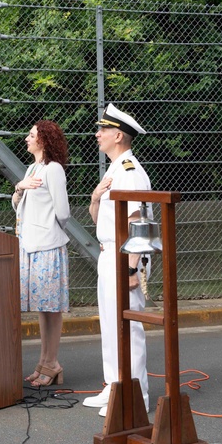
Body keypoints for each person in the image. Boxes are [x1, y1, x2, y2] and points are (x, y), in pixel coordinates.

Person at [85, 103, 151, 417]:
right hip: (108, 252)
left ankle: (136, 395)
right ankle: (114, 386)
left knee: (129, 327)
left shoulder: (130, 171)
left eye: (103, 130)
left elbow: (139, 222)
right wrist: (96, 197)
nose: (97, 134)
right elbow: (98, 218)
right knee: (110, 324)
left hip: (124, 256)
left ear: (119, 136)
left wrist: (131, 267)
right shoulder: (113, 169)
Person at [12, 121, 71, 387]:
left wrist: (47, 229)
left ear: (44, 141)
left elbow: (63, 212)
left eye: (32, 135)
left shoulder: (53, 169)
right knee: (42, 308)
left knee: (52, 308)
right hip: (31, 244)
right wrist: (19, 187)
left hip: (47, 246)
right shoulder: (33, 168)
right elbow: (19, 206)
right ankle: (45, 361)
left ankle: (53, 362)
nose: (27, 138)